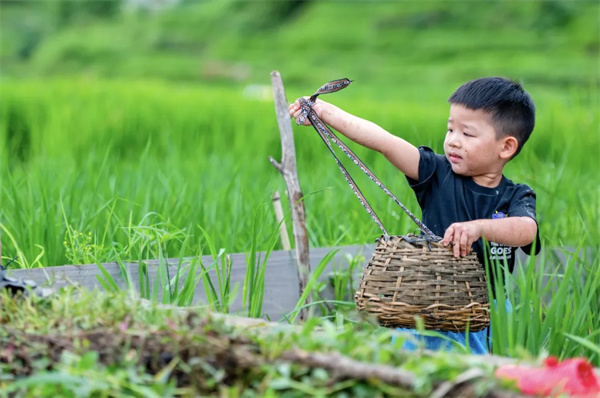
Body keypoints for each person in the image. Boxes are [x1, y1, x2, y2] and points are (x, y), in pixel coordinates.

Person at [289, 76, 541, 354]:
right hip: (427, 304)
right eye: (450, 130)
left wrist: (479, 228)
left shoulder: (516, 195)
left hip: (486, 312)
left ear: (506, 147)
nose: (453, 142)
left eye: (467, 134)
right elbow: (384, 142)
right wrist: (324, 111)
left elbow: (526, 230)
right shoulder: (435, 173)